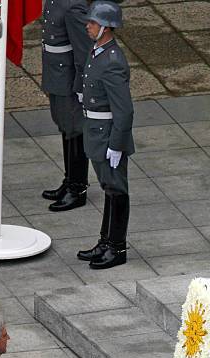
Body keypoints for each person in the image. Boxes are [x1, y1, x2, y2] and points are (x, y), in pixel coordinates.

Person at [76, 0, 134, 270]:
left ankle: (117, 247)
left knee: (117, 190)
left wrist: (117, 144)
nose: (88, 25)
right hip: (96, 131)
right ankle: (105, 241)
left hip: (108, 135)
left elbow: (124, 110)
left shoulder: (112, 61)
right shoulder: (98, 50)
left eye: (93, 23)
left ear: (107, 27)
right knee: (108, 189)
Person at [41, 0, 93, 212]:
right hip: (56, 72)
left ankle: (77, 188)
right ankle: (69, 179)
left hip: (68, 77)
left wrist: (81, 87)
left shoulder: (73, 6)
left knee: (75, 130)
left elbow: (83, 51)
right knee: (65, 126)